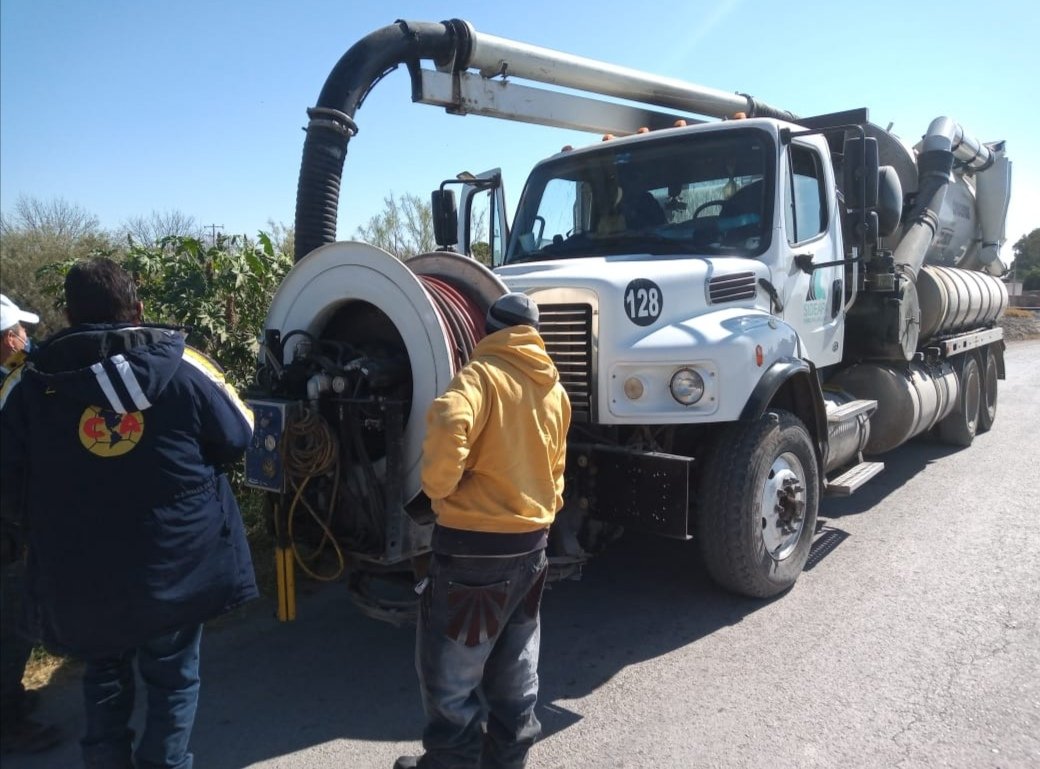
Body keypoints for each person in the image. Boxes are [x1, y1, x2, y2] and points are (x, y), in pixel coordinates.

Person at [0, 258, 258, 769]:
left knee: (102, 675)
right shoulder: (186, 367)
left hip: (80, 571)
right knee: (173, 680)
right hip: (176, 566)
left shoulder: (28, 386)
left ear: (69, 315)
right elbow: (240, 434)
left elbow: (7, 479)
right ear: (138, 309)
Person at [396, 292, 571, 769]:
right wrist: (544, 508)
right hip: (533, 546)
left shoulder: (481, 376)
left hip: (472, 549)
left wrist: (439, 491)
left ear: (489, 331)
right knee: (516, 662)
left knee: (450, 674)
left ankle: (452, 763)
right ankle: (507, 761)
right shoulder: (553, 390)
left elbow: (450, 418)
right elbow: (556, 469)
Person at [0, 294, 61, 755]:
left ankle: (13, 699)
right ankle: (8, 722)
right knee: (15, 625)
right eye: (21, 330)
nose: (27, 337)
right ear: (7, 339)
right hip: (10, 526)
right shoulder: (12, 390)